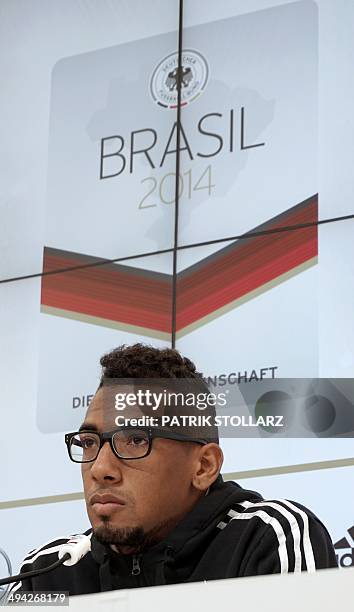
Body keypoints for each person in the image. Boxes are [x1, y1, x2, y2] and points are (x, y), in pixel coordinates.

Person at [8, 344, 337, 597]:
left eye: (136, 439)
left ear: (204, 466)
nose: (100, 469)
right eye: (90, 442)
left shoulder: (266, 538)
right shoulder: (45, 572)